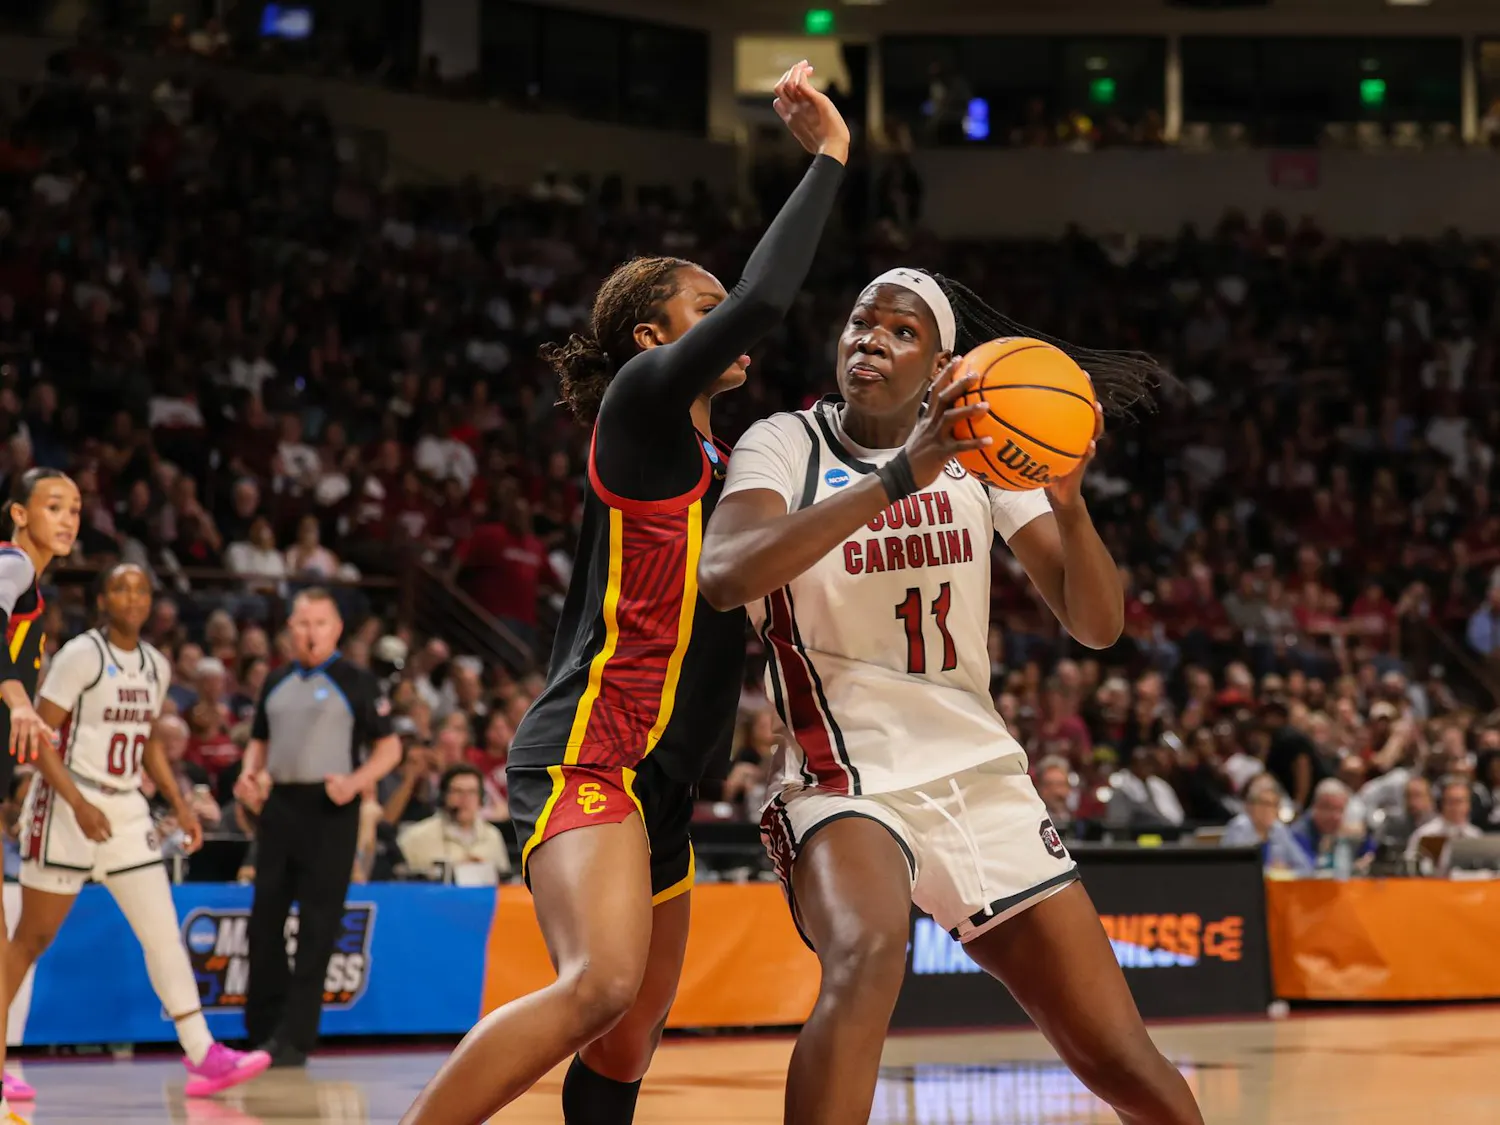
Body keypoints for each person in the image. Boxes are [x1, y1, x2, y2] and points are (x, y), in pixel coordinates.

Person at [401, 61, 849, 1125]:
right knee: (598, 984)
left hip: (665, 787)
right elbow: (766, 298)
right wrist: (831, 158)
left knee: (633, 1028)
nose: (722, 320)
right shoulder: (644, 407)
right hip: (589, 754)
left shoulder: (729, 466)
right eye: (700, 307)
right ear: (656, 335)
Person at [697, 268, 1201, 1125]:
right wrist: (903, 474)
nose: (872, 340)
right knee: (866, 952)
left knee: (1120, 1056)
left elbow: (1096, 624)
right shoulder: (784, 442)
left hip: (981, 778)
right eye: (863, 322)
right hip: (844, 780)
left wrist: (1070, 510)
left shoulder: (982, 458)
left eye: (902, 332)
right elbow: (723, 575)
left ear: (941, 368)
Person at [5, 564, 270, 1100]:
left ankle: (202, 1052)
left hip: (126, 809)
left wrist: (179, 803)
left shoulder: (155, 663)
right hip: (65, 803)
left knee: (162, 932)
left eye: (141, 588)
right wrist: (78, 802)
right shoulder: (82, 654)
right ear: (102, 598)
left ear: (152, 601)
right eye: (120, 587)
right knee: (30, 940)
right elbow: (39, 735)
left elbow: (147, 737)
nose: (131, 597)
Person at [232, 588, 401, 1067]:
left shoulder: (356, 681)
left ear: (337, 628)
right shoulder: (277, 680)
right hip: (280, 804)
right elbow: (259, 742)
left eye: (320, 623)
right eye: (302, 623)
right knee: (264, 921)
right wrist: (251, 773)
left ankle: (295, 1038)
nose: (310, 632)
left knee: (317, 926)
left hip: (331, 808)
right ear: (289, 628)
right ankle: (261, 1030)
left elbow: (390, 750)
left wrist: (356, 783)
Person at [0, 468, 80, 1123]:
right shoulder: (11, 564)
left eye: (76, 508)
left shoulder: (32, 585)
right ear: (18, 514)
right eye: (54, 505)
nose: (69, 517)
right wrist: (19, 695)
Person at [396, 763, 510, 880]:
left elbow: (506, 881)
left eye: (471, 792)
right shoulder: (417, 836)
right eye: (457, 791)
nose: (465, 799)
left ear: (481, 799)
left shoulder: (492, 835)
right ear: (443, 796)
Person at [1220, 775, 1312, 873]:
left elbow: (1306, 867)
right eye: (1264, 803)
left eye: (1274, 805)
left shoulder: (1278, 829)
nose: (1268, 810)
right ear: (1250, 806)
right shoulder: (1239, 828)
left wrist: (1287, 871)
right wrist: (1272, 871)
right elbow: (1236, 870)